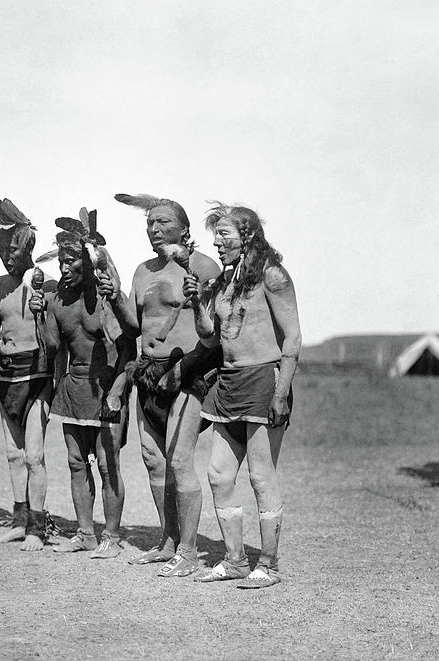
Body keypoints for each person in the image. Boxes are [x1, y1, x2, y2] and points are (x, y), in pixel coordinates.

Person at [99, 193, 221, 578]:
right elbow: (134, 327)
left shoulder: (203, 266)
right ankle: (168, 541)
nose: (154, 229)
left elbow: (212, 334)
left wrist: (184, 370)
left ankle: (188, 551)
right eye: (150, 223)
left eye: (163, 222)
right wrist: (115, 295)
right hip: (147, 373)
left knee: (180, 462)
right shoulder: (142, 271)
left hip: (186, 374)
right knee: (154, 462)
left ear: (185, 229)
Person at [182, 203, 301, 589]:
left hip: (265, 381)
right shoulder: (226, 281)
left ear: (247, 235)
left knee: (261, 476)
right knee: (218, 474)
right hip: (229, 384)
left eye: (224, 234)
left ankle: (269, 565)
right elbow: (208, 337)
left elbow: (294, 338)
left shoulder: (273, 275)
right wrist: (198, 301)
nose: (217, 243)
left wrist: (280, 394)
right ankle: (235, 560)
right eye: (215, 235)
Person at [29, 211, 135, 559]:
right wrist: (40, 315)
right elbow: (53, 349)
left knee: (108, 465)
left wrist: (118, 393)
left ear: (87, 262)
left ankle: (113, 537)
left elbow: (129, 350)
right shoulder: (57, 300)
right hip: (74, 387)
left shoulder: (106, 296)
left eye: (71, 260)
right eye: (61, 261)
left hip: (108, 387)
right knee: (76, 462)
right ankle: (86, 533)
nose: (63, 267)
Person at [0, 199, 58, 551]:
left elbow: (53, 337)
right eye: (4, 250)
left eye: (15, 250)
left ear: (29, 248)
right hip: (5, 376)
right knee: (13, 454)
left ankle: (37, 528)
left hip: (36, 375)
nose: (9, 257)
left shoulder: (45, 285)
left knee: (34, 455)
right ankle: (19, 521)